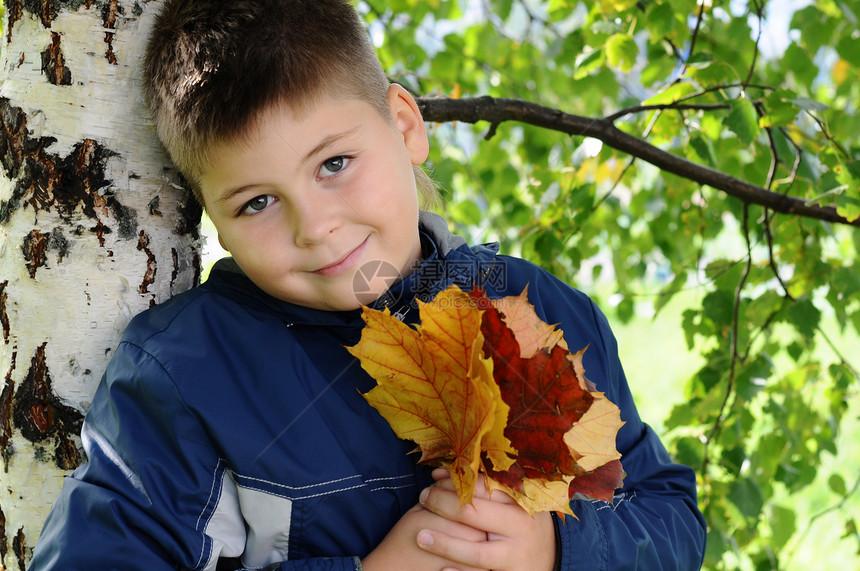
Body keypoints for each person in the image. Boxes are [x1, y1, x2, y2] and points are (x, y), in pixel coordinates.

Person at [30, 1, 707, 569]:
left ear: (406, 127)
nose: (316, 227)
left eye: (334, 163)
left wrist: (558, 549)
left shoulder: (537, 311)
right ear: (211, 216)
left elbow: (670, 516)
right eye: (257, 203)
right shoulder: (184, 375)